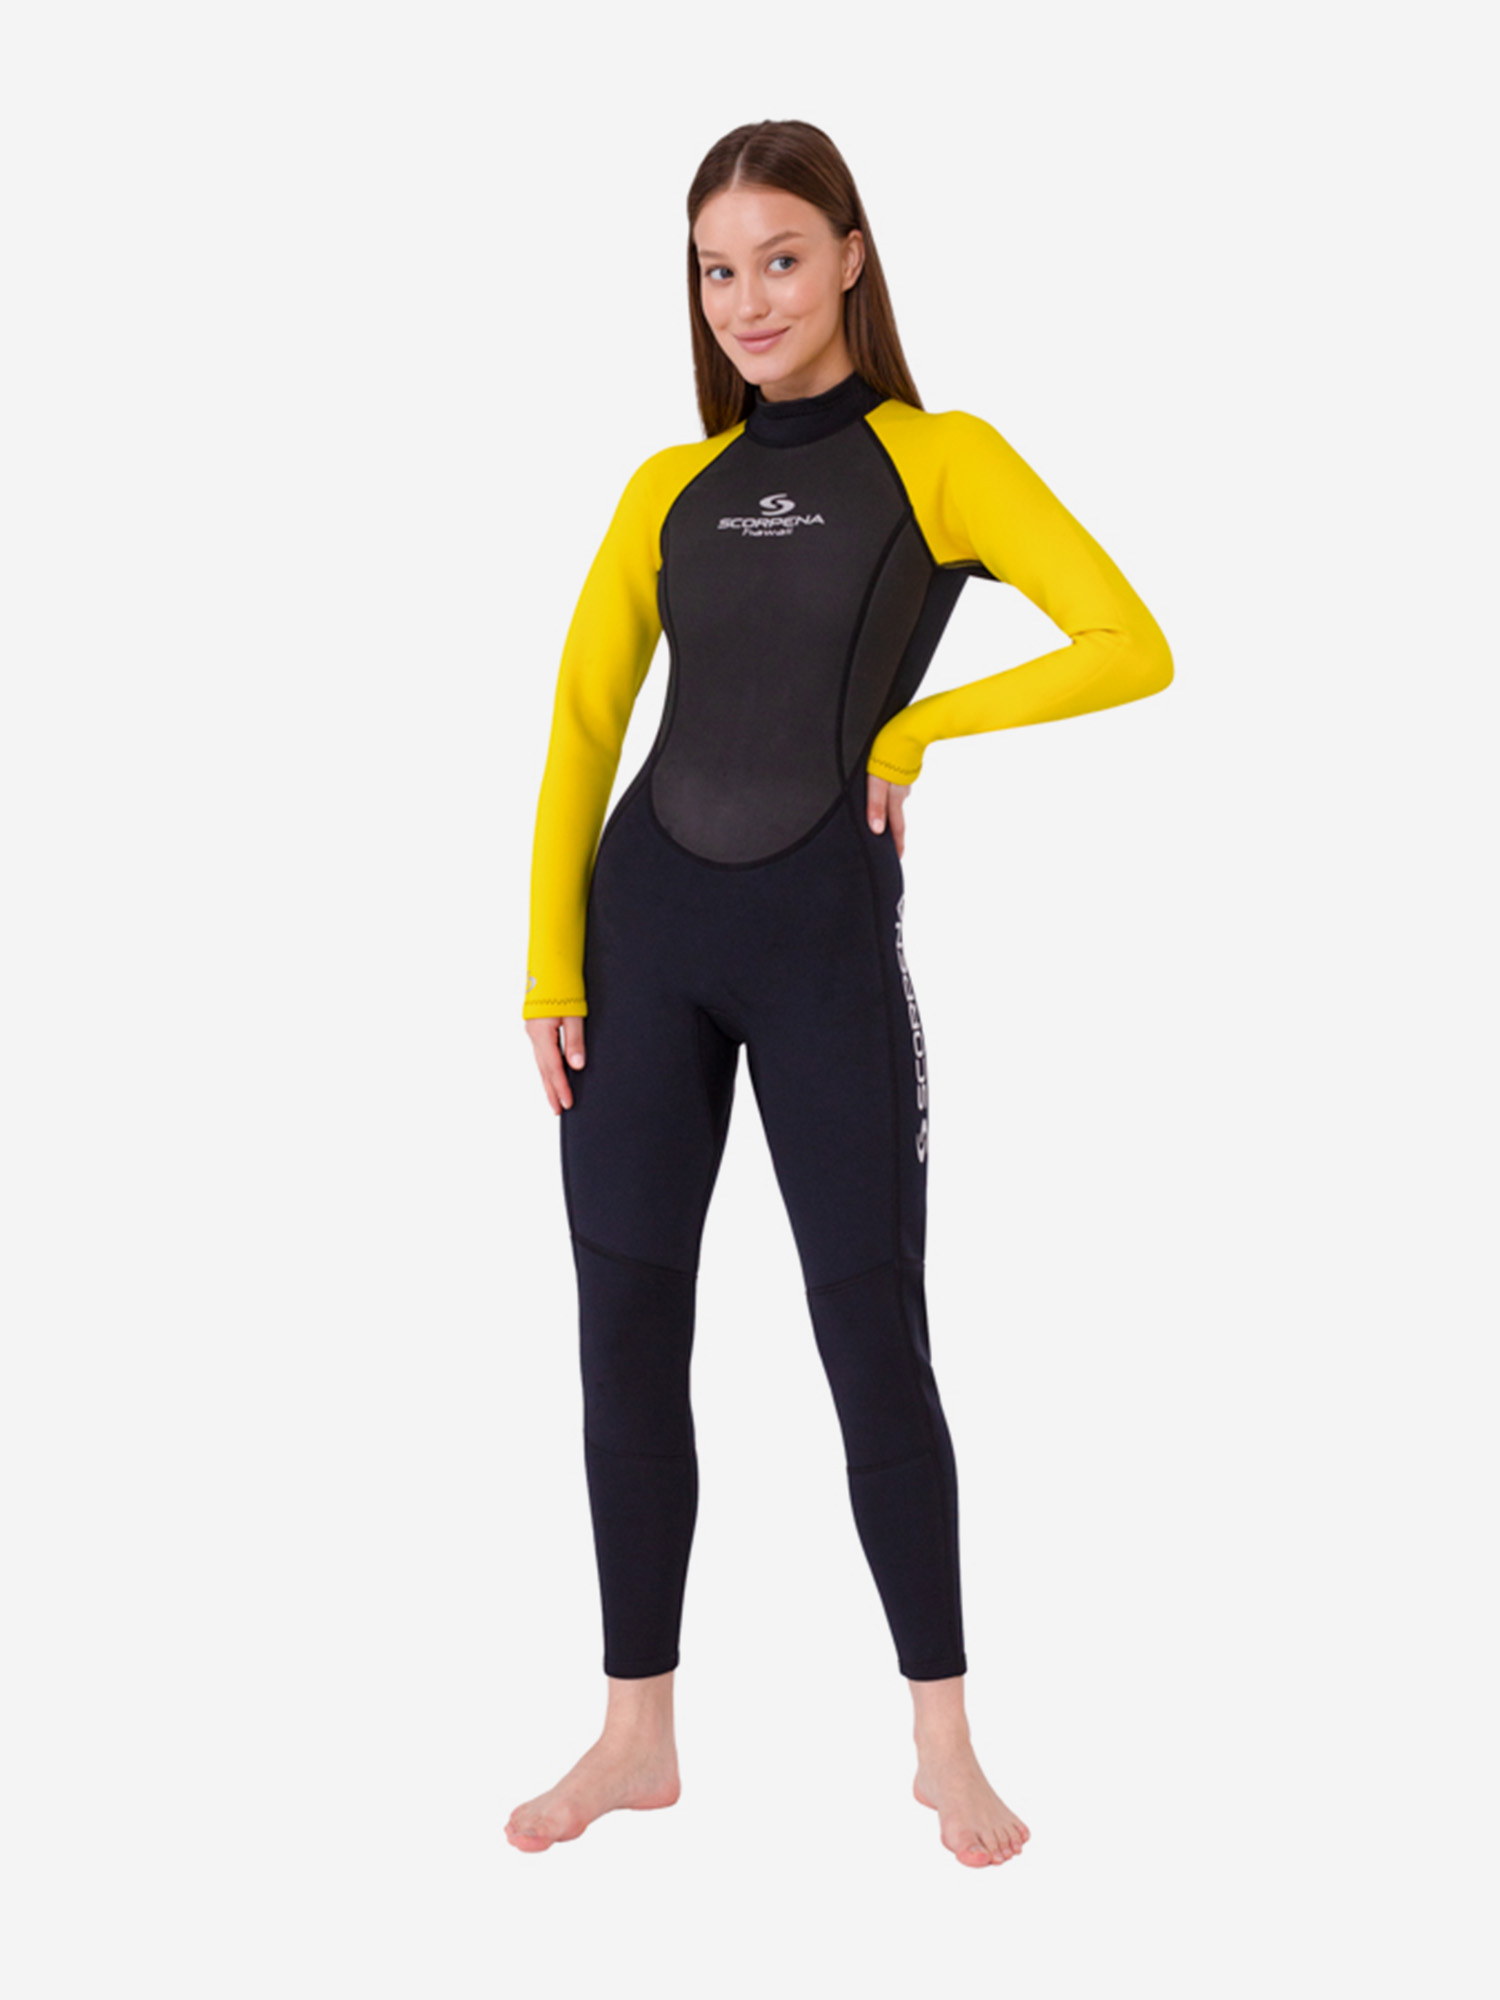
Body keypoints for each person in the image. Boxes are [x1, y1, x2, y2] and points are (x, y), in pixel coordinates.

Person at [507, 118, 1172, 1868]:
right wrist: (550, 964)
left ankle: (945, 1747)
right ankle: (634, 1735)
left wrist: (918, 728)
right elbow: (584, 729)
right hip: (643, 943)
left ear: (854, 256)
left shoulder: (943, 460)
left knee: (870, 1330)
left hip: (818, 949)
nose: (748, 300)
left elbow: (1130, 640)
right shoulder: (665, 487)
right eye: (716, 270)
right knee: (623, 1330)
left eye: (781, 258)